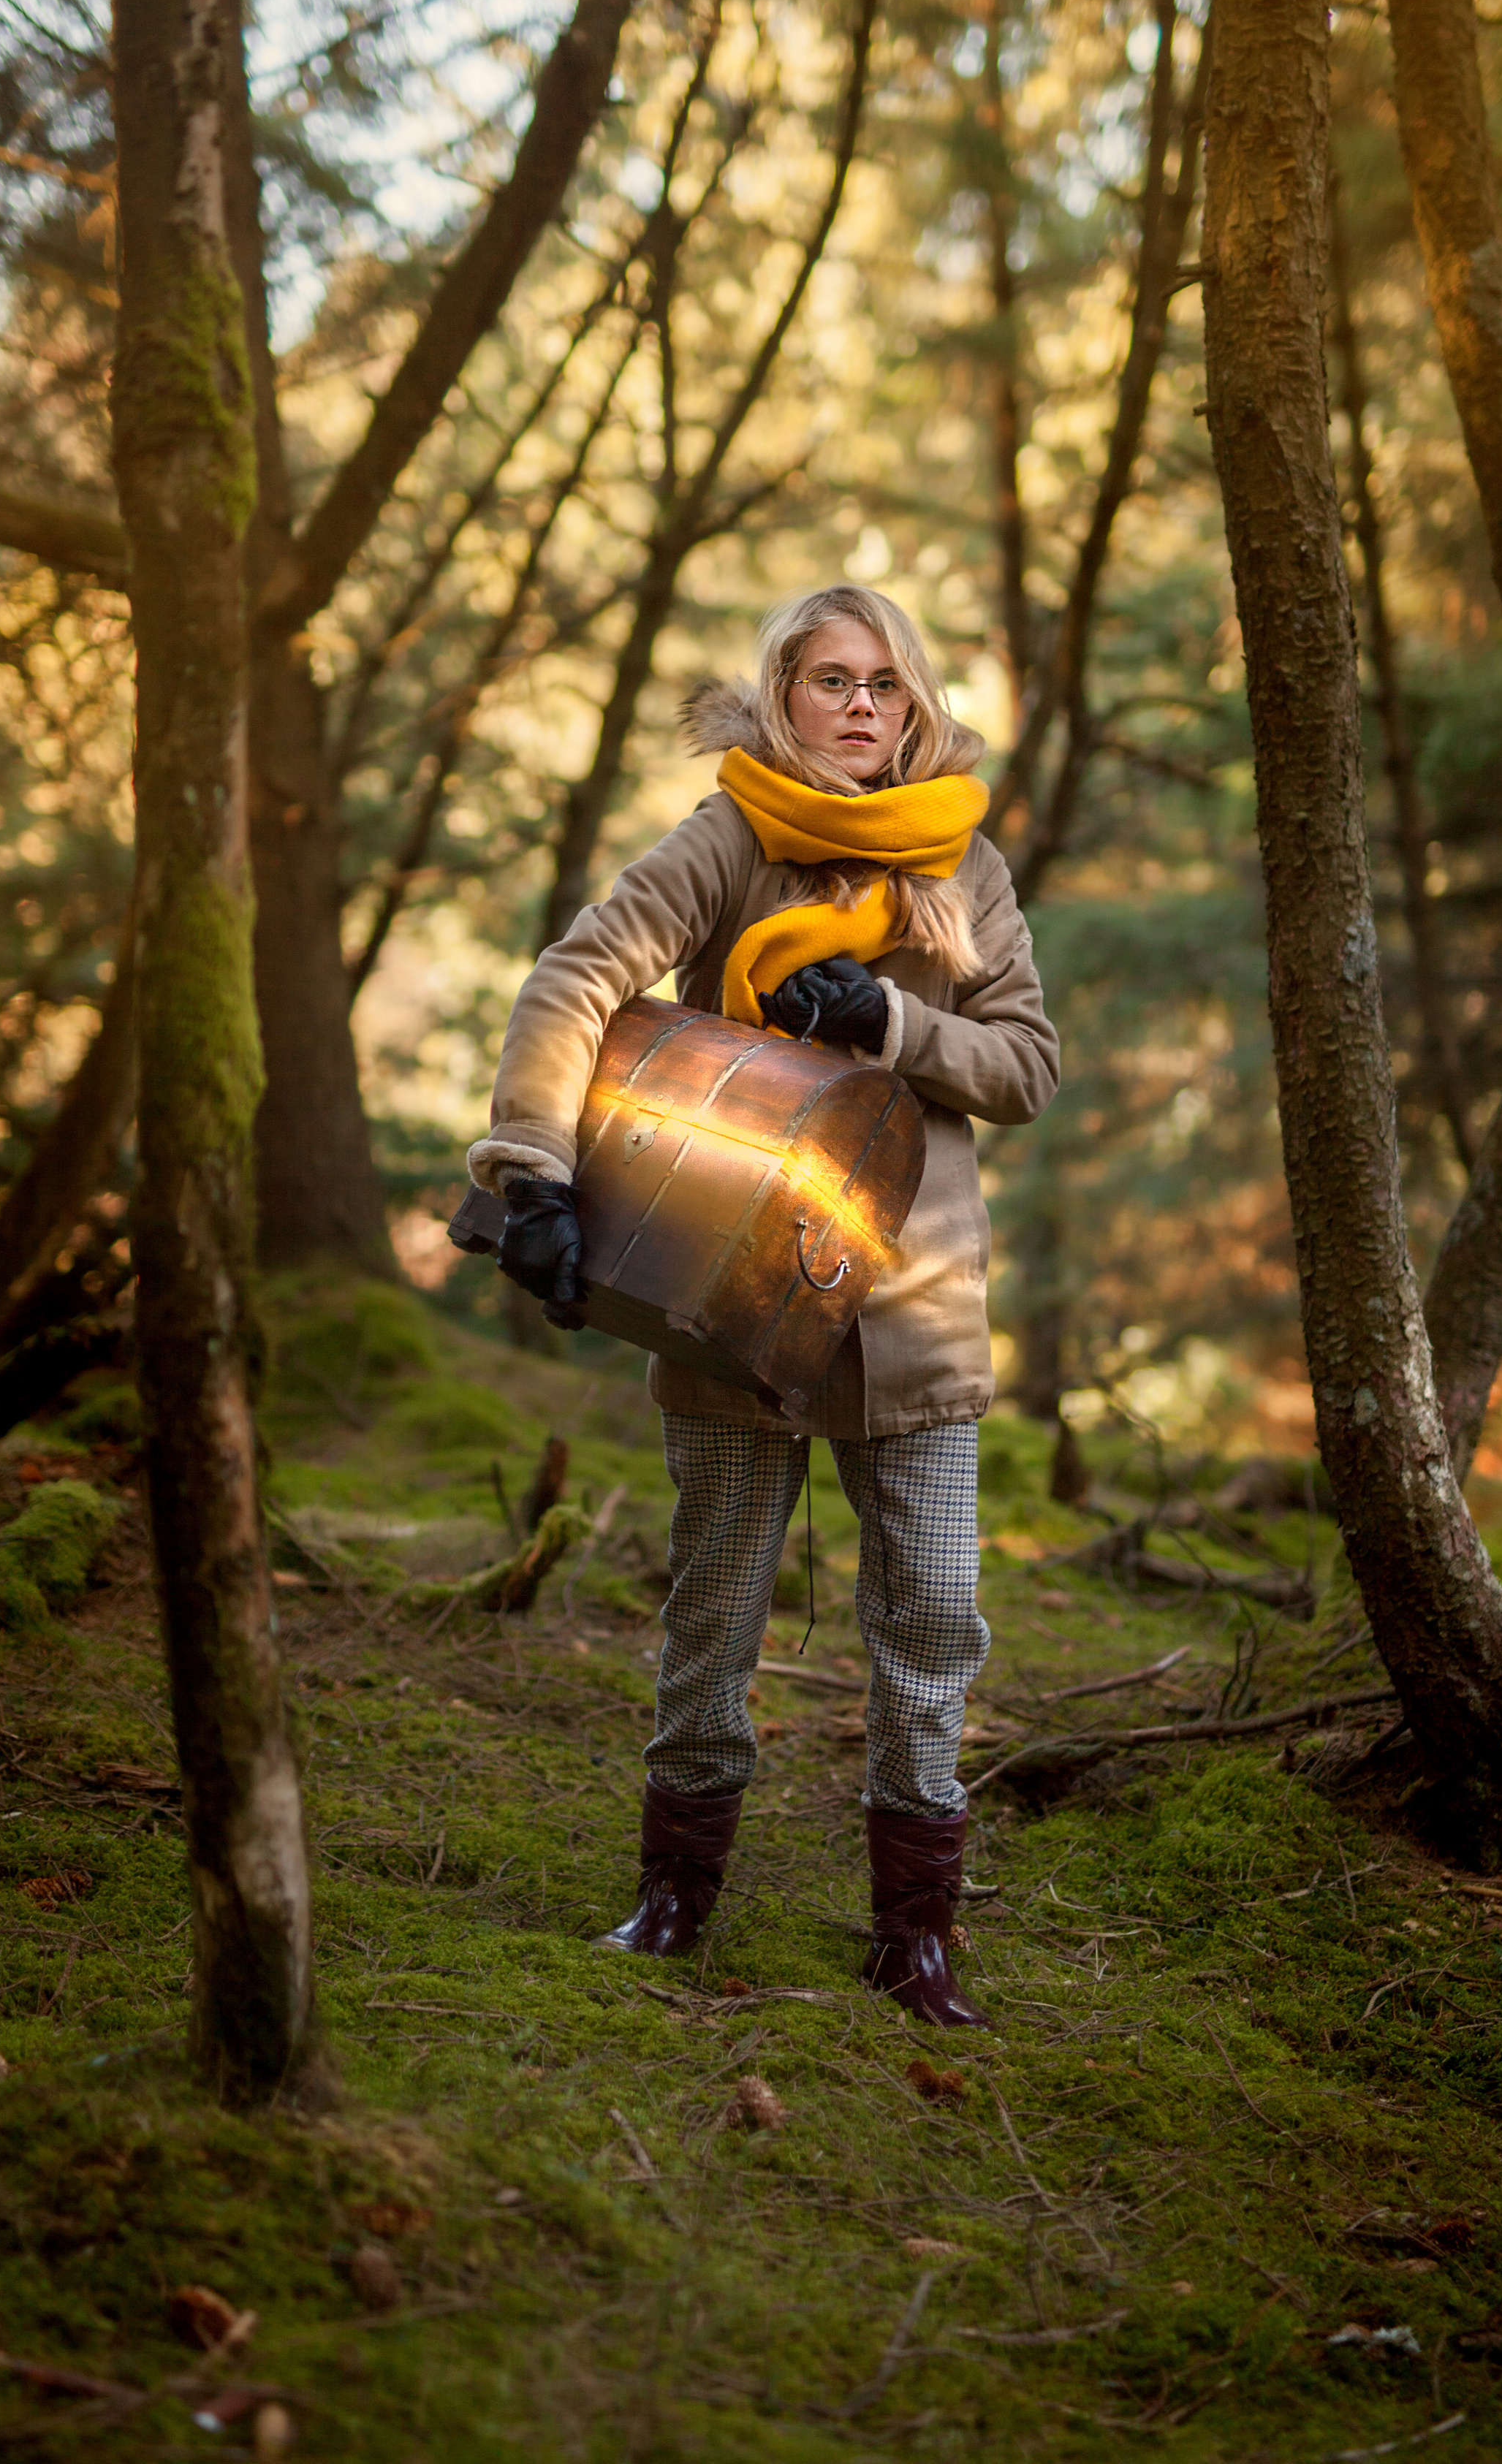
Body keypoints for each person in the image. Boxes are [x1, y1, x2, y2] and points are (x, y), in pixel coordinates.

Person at [468, 583, 1058, 2028]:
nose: (859, 705)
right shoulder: (729, 839)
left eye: (883, 685)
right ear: (782, 698)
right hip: (724, 1297)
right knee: (713, 1607)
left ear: (910, 707)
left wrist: (889, 1024)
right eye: (828, 680)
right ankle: (674, 1897)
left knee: (930, 1613)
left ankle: (911, 1938)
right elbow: (576, 975)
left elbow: (1026, 1065)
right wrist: (532, 1167)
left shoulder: (959, 865)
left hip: (909, 1309)